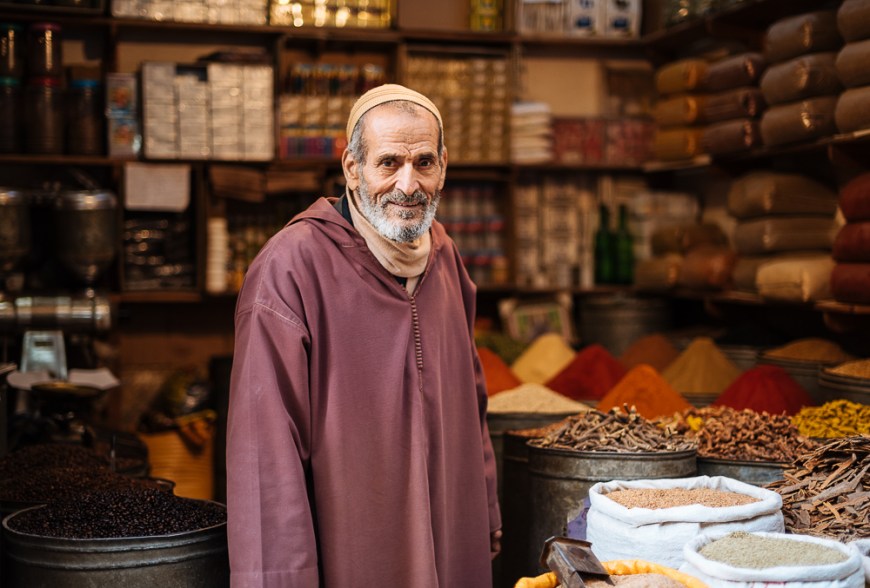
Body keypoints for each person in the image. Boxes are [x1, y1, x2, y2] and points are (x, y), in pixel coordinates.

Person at [226, 83, 502, 588]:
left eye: (424, 163)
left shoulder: (444, 256)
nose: (408, 184)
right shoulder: (290, 267)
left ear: (444, 165)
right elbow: (264, 451)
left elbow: (472, 401)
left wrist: (484, 507)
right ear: (352, 168)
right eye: (388, 162)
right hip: (351, 548)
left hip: (447, 529)